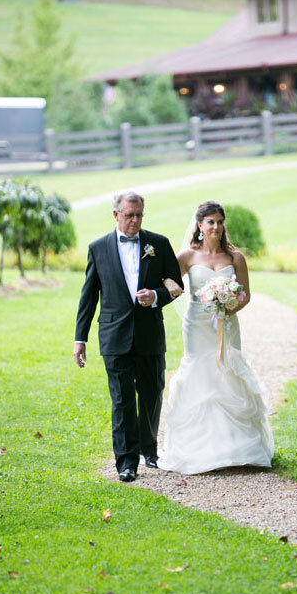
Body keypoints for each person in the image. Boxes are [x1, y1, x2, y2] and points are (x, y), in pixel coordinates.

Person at [156, 200, 274, 474]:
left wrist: (229, 305)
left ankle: (238, 447)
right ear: (199, 225)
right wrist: (171, 284)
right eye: (210, 222)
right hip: (197, 324)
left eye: (220, 222)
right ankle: (199, 448)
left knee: (227, 371)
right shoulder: (187, 256)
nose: (216, 227)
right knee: (200, 373)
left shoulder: (235, 258)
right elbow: (166, 279)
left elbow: (245, 294)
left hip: (227, 323)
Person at [73, 191, 183, 482]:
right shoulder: (98, 248)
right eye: (129, 215)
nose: (135, 220)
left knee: (150, 395)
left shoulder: (158, 244)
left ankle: (150, 451)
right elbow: (88, 297)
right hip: (114, 335)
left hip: (149, 335)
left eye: (139, 215)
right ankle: (126, 462)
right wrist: (79, 338)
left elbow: (176, 284)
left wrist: (155, 296)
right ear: (115, 215)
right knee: (121, 400)